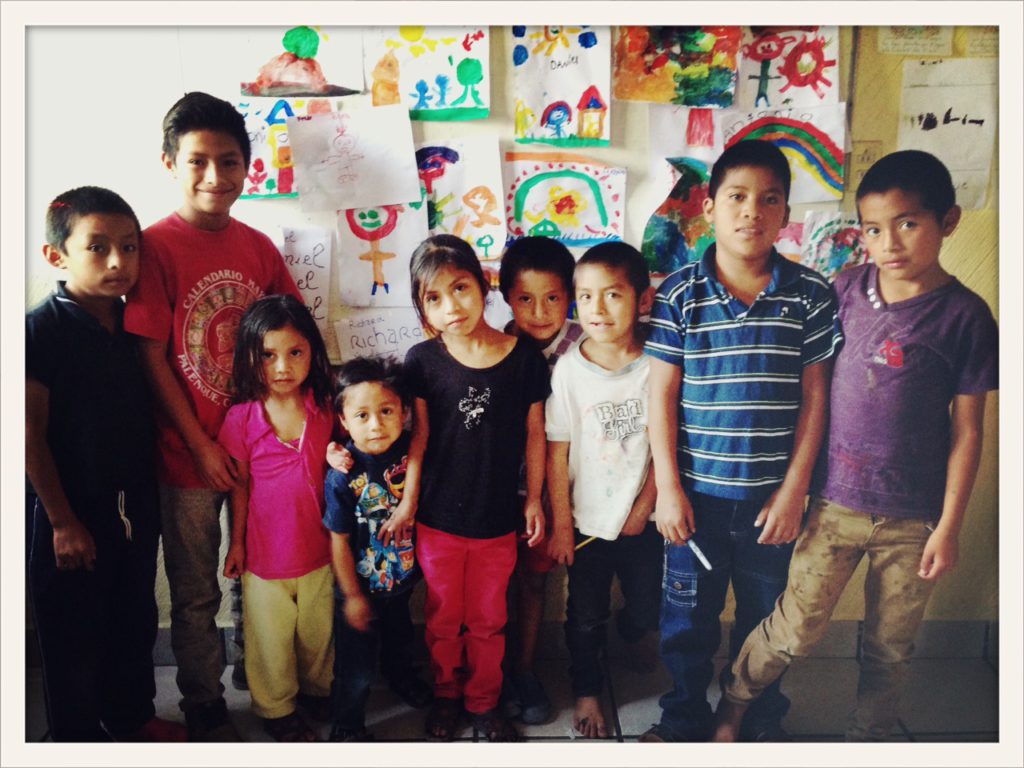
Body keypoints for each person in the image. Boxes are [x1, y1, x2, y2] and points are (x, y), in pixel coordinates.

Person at [711, 150, 999, 743]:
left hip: (913, 520)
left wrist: (948, 527)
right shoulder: (841, 291)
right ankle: (734, 703)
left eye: (908, 223)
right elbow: (808, 388)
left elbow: (969, 430)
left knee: (890, 646)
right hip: (833, 504)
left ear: (948, 221)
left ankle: (871, 737)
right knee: (796, 628)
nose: (888, 243)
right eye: (872, 229)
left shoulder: (967, 318)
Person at [641, 140, 843, 742]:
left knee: (766, 616)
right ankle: (683, 717)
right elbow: (661, 396)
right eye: (737, 196)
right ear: (709, 207)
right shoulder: (679, 294)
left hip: (770, 503)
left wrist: (794, 491)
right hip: (695, 500)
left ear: (786, 215)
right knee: (687, 619)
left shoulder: (810, 294)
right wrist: (668, 490)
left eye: (769, 199)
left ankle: (757, 717)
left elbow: (816, 398)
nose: (752, 210)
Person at [124, 91, 301, 741]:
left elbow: (294, 338)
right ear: (169, 163)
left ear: (248, 167)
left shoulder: (259, 247)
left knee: (260, 574)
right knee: (195, 587)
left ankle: (267, 683)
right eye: (197, 161)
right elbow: (150, 355)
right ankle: (203, 699)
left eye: (229, 162)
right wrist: (200, 444)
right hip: (186, 455)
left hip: (262, 452)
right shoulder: (153, 247)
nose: (214, 176)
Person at [25, 186, 186, 743]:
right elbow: (27, 433)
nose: (119, 262)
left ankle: (131, 716)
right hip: (69, 508)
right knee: (73, 628)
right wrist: (62, 522)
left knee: (133, 616)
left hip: (134, 501)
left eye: (130, 246)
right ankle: (74, 736)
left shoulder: (136, 322)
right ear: (57, 256)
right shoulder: (40, 330)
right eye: (98, 247)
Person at [388, 234, 550, 742]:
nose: (451, 306)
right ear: (421, 307)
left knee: (487, 620)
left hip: (497, 519)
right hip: (438, 520)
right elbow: (419, 438)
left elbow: (536, 435)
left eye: (460, 288)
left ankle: (484, 702)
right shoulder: (421, 360)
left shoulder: (523, 359)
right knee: (442, 619)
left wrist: (535, 499)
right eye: (433, 298)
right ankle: (447, 696)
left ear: (483, 286)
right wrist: (409, 504)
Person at [546, 242, 661, 739]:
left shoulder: (658, 363)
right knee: (585, 614)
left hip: (645, 519)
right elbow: (557, 451)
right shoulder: (569, 369)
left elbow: (668, 445)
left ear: (643, 300)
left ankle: (633, 630)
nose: (596, 308)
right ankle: (588, 688)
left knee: (650, 603)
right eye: (585, 296)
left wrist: (645, 505)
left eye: (612, 294)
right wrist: (561, 525)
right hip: (587, 520)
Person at [217, 295, 335, 742]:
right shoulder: (242, 418)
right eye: (268, 355)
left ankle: (318, 691)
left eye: (295, 352)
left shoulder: (325, 407)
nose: (282, 366)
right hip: (265, 558)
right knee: (270, 638)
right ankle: (276, 707)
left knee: (318, 633)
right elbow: (239, 486)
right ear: (250, 356)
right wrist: (237, 544)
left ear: (312, 352)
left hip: (321, 550)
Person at [323, 356, 433, 743]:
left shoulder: (412, 454)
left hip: (401, 581)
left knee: (401, 639)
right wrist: (352, 595)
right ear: (343, 420)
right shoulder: (343, 474)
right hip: (359, 587)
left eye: (386, 411)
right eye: (362, 415)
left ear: (404, 412)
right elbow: (337, 538)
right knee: (355, 664)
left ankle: (402, 678)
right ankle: (347, 723)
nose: (375, 425)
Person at [496, 236, 583, 725]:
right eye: (525, 298)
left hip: (555, 492)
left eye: (552, 297)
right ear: (505, 296)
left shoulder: (586, 346)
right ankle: (490, 670)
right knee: (492, 583)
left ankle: (524, 668)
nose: (539, 312)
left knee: (533, 580)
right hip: (497, 490)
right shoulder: (493, 347)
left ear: (570, 295)